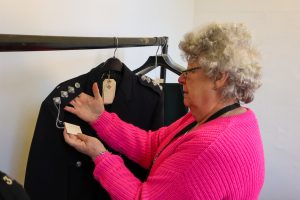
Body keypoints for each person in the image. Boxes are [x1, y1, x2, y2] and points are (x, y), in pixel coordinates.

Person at [63, 22, 265, 199]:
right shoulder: (219, 117)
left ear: (220, 77)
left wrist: (100, 155)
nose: (180, 78)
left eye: (190, 71)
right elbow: (154, 146)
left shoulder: (210, 147)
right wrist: (100, 118)